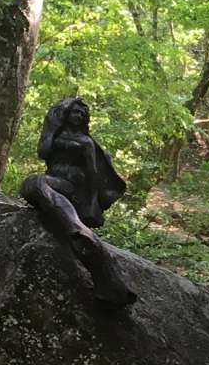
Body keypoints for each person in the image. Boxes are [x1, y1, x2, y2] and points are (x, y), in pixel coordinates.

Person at [20, 97, 137, 304]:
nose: (79, 116)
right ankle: (73, 226)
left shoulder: (86, 142)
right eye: (75, 112)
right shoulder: (55, 136)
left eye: (82, 114)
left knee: (37, 183)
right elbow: (43, 151)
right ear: (65, 114)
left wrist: (92, 203)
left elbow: (93, 172)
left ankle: (79, 231)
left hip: (73, 187)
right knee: (32, 184)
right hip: (55, 182)